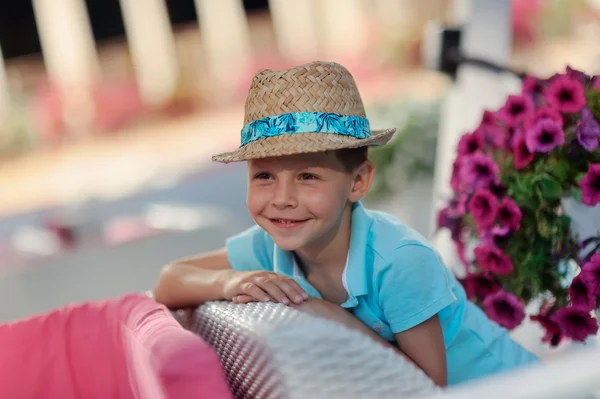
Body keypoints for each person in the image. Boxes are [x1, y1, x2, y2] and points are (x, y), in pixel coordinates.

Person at [153, 61, 539, 387]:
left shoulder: (399, 261)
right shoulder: (268, 245)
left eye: (307, 177)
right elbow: (170, 280)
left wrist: (338, 322)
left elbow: (427, 386)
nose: (282, 197)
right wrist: (229, 281)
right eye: (264, 176)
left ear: (358, 182)